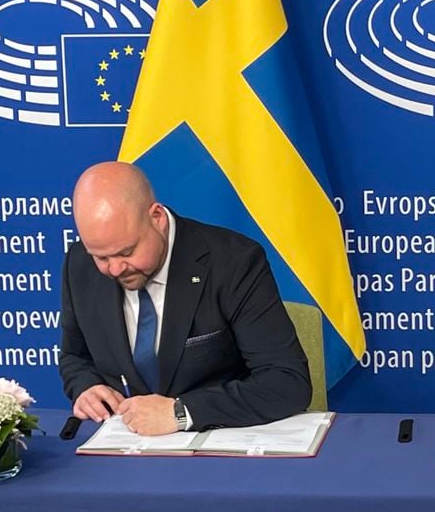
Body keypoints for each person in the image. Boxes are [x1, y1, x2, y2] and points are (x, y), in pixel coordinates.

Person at [60, 161, 311, 435]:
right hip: (125, 445)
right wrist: (86, 386)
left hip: (214, 443)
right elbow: (75, 356)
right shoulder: (79, 264)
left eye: (127, 252)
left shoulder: (233, 262)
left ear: (157, 217)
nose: (116, 268)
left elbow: (286, 382)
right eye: (101, 258)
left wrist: (181, 412)